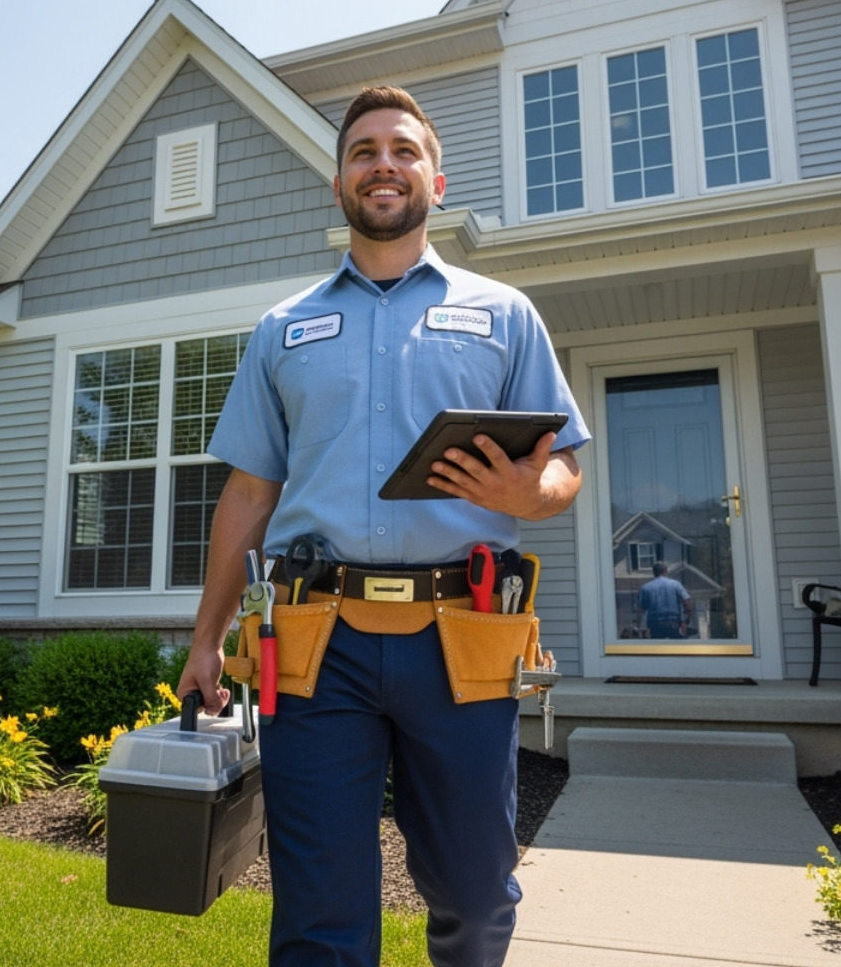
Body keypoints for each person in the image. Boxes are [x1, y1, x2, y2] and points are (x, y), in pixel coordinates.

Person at [177, 85, 590, 967]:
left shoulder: (504, 313)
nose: (383, 165)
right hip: (313, 638)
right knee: (317, 909)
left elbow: (563, 470)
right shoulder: (283, 329)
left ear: (436, 180)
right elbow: (248, 495)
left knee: (476, 892)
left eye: (404, 150)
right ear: (338, 184)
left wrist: (531, 495)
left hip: (464, 634)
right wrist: (205, 640)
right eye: (363, 152)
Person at [638, 561, 693, 638]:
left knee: (658, 645)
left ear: (654, 572)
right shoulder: (676, 584)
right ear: (666, 571)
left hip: (655, 625)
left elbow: (641, 610)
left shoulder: (645, 588)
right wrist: (687, 620)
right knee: (675, 644)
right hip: (673, 623)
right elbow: (687, 603)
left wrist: (641, 629)